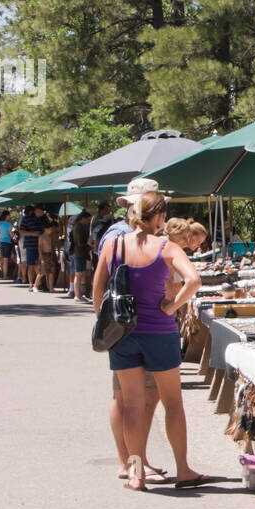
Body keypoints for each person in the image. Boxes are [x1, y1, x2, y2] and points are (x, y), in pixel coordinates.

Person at [92, 189, 219, 491]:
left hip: (123, 335)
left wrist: (106, 323)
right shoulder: (166, 247)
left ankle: (136, 474)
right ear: (160, 216)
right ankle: (184, 470)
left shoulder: (113, 245)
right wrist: (173, 307)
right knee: (173, 403)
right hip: (159, 333)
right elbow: (194, 280)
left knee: (132, 405)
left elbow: (97, 291)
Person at [97, 178, 166, 482]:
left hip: (123, 328)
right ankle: (130, 461)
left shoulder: (117, 234)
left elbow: (100, 288)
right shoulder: (126, 236)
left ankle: (134, 460)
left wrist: (106, 322)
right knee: (133, 398)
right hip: (138, 327)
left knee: (127, 397)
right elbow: (103, 284)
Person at [68, 209, 93, 302]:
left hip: (77, 251)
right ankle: (77, 295)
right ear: (84, 218)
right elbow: (79, 242)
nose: (88, 222)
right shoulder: (79, 227)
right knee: (78, 274)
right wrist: (88, 245)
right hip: (79, 252)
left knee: (79, 273)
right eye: (88, 219)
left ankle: (78, 294)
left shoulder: (77, 226)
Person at [18, 205, 45, 287]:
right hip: (30, 244)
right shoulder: (27, 218)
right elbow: (21, 231)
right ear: (36, 210)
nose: (41, 213)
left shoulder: (43, 219)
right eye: (40, 211)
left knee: (39, 264)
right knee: (31, 265)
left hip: (41, 244)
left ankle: (39, 283)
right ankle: (30, 283)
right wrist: (32, 234)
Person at [33, 218, 59, 294]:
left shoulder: (50, 237)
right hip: (43, 255)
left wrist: (55, 254)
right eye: (50, 229)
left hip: (50, 254)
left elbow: (52, 246)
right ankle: (35, 286)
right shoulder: (42, 237)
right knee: (42, 272)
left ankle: (51, 287)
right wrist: (41, 258)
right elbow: (40, 248)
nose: (51, 230)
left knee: (51, 272)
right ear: (46, 229)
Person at [0, 210, 15, 280]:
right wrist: (14, 236)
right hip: (7, 242)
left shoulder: (0, 223)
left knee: (3, 259)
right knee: (6, 260)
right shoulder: (8, 224)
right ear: (6, 216)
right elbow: (11, 234)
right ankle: (5, 275)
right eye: (9, 215)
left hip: (2, 241)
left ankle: (3, 274)